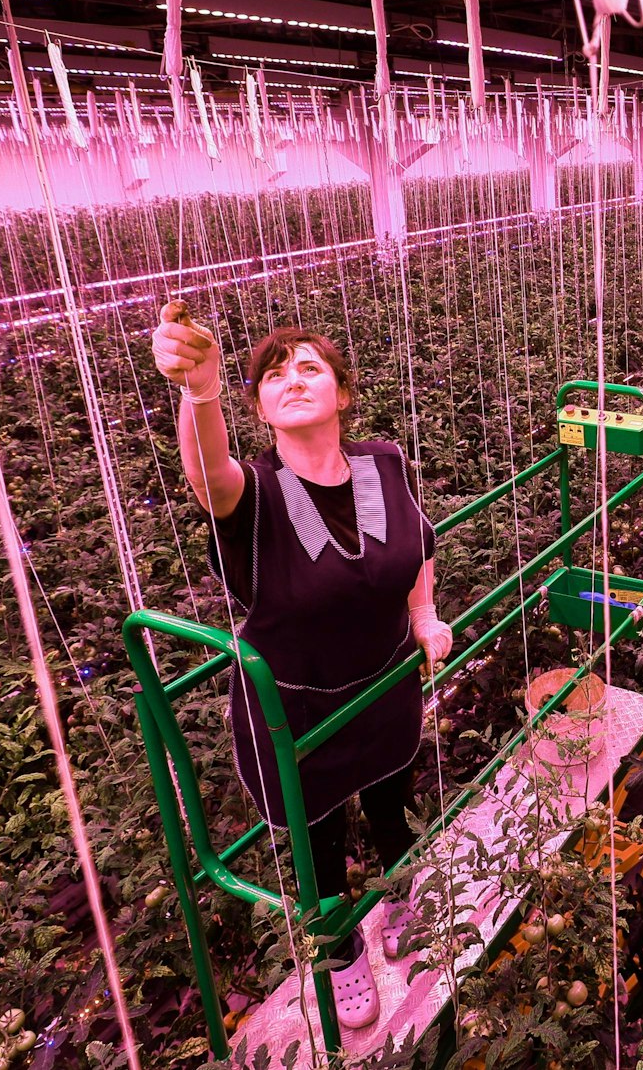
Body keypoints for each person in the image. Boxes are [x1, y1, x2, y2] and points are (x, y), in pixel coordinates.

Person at [150, 303, 454, 1030]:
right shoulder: (251, 493)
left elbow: (418, 546)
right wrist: (201, 389)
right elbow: (207, 474)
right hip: (297, 709)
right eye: (274, 375)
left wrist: (423, 615)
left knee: (392, 805)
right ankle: (341, 952)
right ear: (259, 408)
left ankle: (402, 899)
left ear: (341, 394)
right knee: (318, 843)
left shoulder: (385, 463)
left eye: (311, 367)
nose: (293, 378)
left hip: (383, 686)